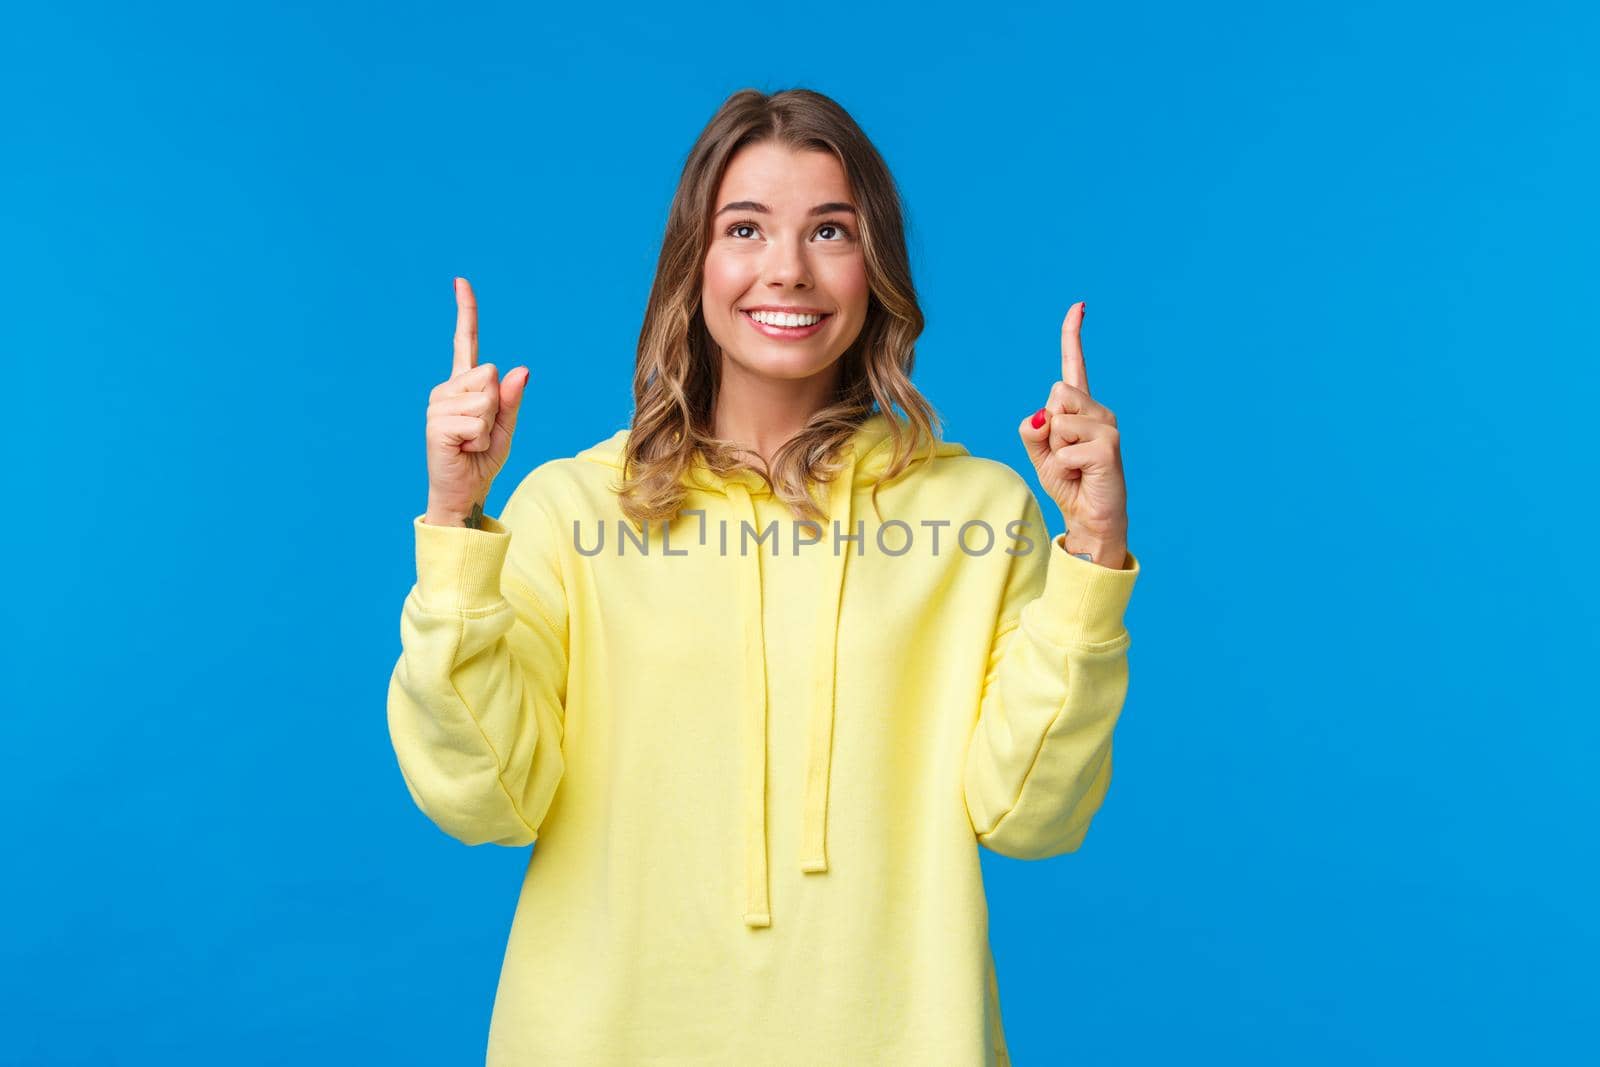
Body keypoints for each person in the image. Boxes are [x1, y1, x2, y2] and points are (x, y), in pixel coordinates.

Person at [387, 87, 1141, 1066]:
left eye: (829, 230)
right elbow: (484, 797)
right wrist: (454, 525)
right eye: (745, 227)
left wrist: (1088, 549)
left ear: (875, 267)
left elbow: (1029, 813)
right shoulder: (568, 509)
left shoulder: (976, 512)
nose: (786, 269)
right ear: (691, 263)